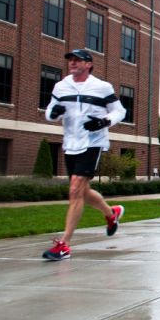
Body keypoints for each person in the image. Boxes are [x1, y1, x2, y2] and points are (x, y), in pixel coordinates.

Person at [42, 49, 126, 261]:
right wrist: (53, 113)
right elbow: (50, 110)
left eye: (77, 60)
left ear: (89, 64)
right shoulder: (61, 86)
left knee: (74, 189)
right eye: (71, 60)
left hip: (93, 142)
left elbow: (119, 111)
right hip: (71, 143)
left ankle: (64, 245)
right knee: (82, 191)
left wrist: (104, 122)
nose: (72, 63)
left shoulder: (102, 87)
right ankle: (111, 213)